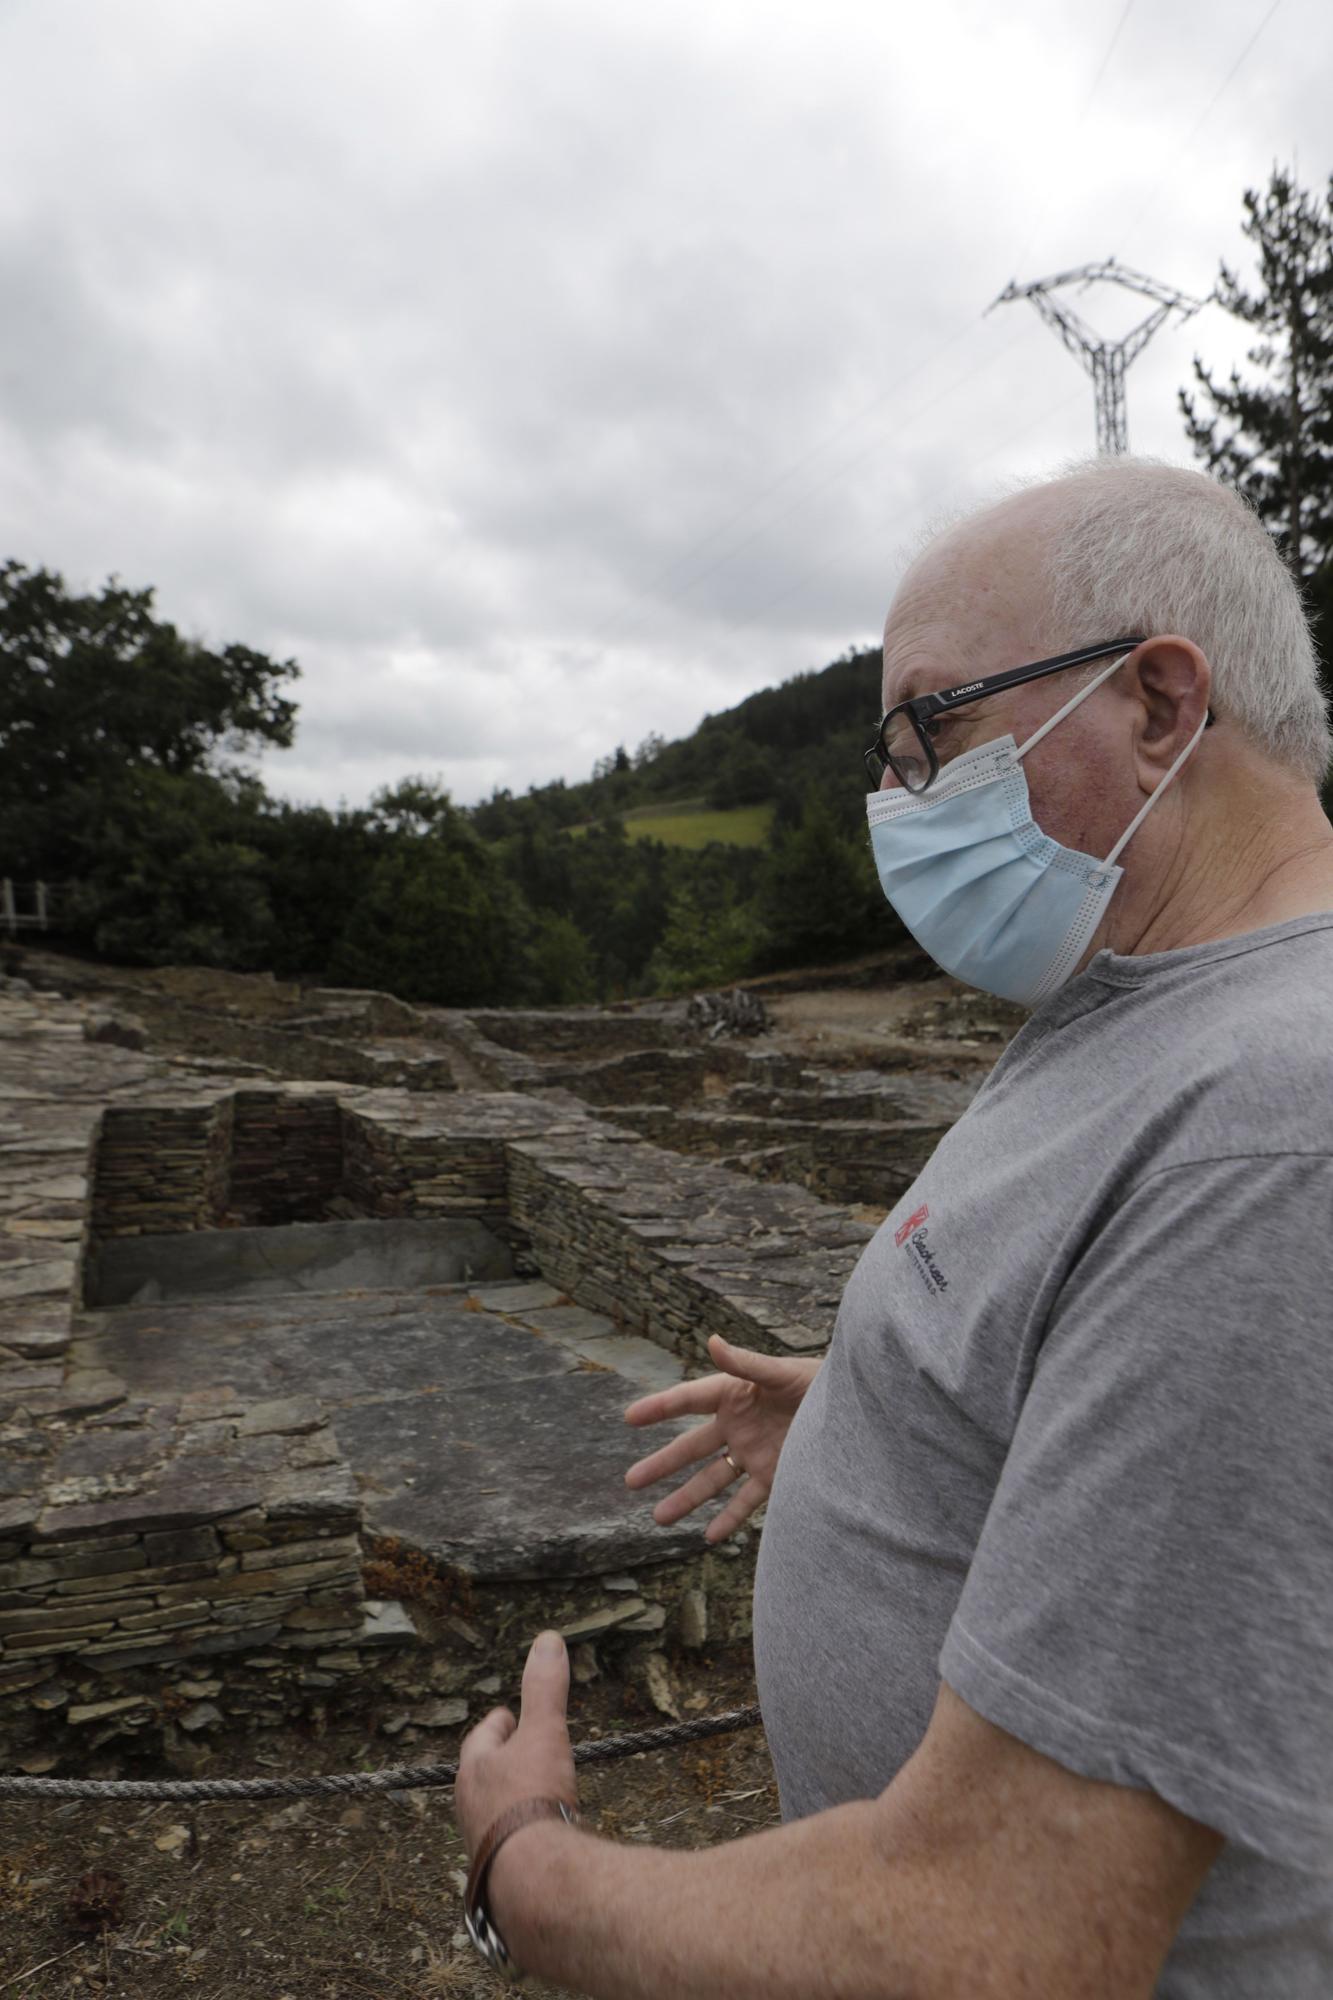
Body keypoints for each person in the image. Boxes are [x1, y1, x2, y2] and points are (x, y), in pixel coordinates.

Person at [456, 457, 1333, 1998]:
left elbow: (1001, 1934)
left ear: (1155, 702)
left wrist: (523, 1866)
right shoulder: (1128, 990)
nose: (894, 796)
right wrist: (897, 1407)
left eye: (934, 728)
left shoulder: (1273, 1130)